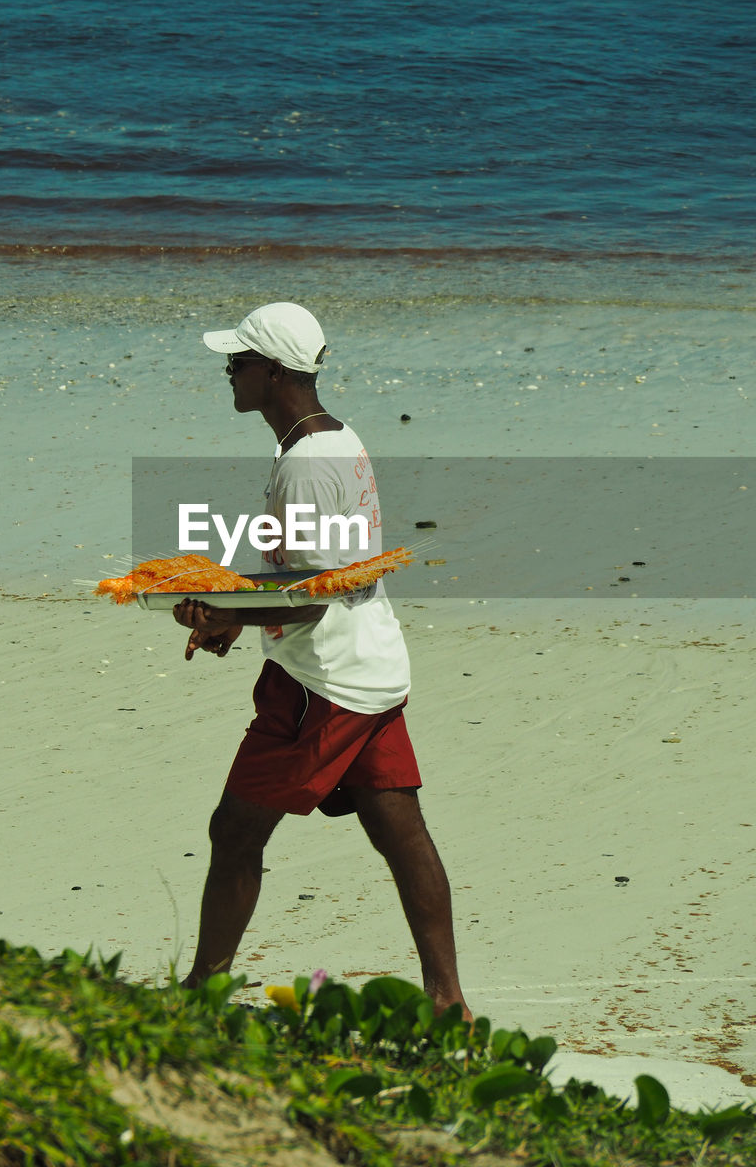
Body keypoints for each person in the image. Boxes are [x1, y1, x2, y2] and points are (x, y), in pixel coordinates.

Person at [173, 301, 470, 1018]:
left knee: (235, 830)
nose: (228, 373)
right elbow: (325, 576)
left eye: (238, 362)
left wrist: (222, 611)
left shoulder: (306, 462)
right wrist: (238, 620)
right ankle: (447, 1001)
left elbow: (308, 600)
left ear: (273, 372)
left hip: (322, 684)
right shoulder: (334, 439)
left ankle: (200, 996)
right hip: (371, 665)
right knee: (401, 832)